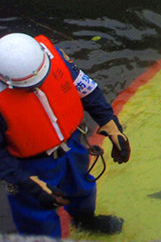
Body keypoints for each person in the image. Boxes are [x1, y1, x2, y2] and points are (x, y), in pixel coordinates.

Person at [0, 32, 131, 237]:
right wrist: (27, 182)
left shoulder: (52, 58)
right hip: (29, 164)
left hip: (72, 145)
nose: (38, 86)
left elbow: (87, 89)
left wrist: (110, 123)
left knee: (83, 187)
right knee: (36, 214)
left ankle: (85, 219)